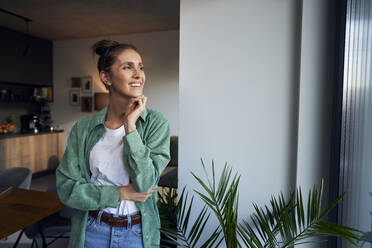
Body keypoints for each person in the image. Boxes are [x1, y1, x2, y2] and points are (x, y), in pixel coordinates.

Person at [56, 40, 171, 248]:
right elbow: (66, 189)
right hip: (91, 230)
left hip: (136, 234)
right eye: (128, 67)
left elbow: (146, 182)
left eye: (141, 67)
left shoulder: (156, 123)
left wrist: (130, 127)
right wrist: (120, 193)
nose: (138, 74)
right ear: (106, 77)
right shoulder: (83, 129)